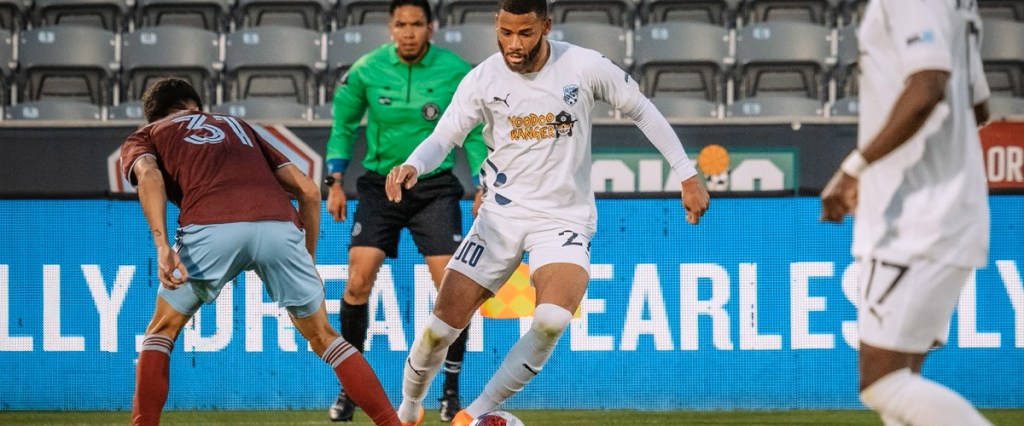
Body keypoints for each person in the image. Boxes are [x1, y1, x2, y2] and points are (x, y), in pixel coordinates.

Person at [384, 1, 710, 424]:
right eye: (505, 34)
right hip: (499, 219)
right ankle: (408, 410)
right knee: (438, 331)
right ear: (496, 27)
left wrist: (686, 174)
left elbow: (641, 109)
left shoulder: (583, 66)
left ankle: (474, 414)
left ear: (546, 27)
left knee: (552, 319)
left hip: (563, 220)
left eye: (525, 34)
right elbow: (445, 135)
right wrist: (414, 164)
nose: (513, 45)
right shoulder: (482, 78)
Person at [121, 78, 400, 426]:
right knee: (326, 338)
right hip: (278, 227)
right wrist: (306, 258)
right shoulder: (238, 126)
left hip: (210, 226)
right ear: (195, 104)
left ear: (153, 116)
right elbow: (309, 191)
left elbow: (149, 176)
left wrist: (162, 245)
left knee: (161, 331)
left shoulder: (147, 135)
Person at [820, 0, 992, 424]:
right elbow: (978, 106)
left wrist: (854, 168)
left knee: (881, 381)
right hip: (943, 207)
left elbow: (927, 86)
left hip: (915, 213)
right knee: (903, 376)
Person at [324, 0, 488, 422]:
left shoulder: (455, 70)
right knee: (357, 281)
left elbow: (470, 130)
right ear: (390, 28)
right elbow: (343, 126)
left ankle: (449, 393)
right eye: (402, 24)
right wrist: (335, 181)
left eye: (417, 24)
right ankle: (350, 388)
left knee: (453, 289)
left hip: (434, 188)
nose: (409, 32)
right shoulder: (365, 69)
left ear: (430, 28)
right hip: (381, 186)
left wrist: (482, 182)